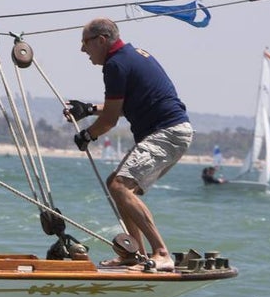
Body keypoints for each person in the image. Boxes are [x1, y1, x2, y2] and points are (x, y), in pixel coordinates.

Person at [64, 18, 192, 271]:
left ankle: (162, 253)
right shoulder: (132, 55)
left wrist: (88, 135)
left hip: (167, 132)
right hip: (170, 131)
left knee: (120, 186)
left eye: (84, 43)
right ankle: (135, 254)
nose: (82, 50)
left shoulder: (115, 65)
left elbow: (110, 120)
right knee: (117, 186)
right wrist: (88, 109)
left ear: (101, 40)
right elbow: (122, 106)